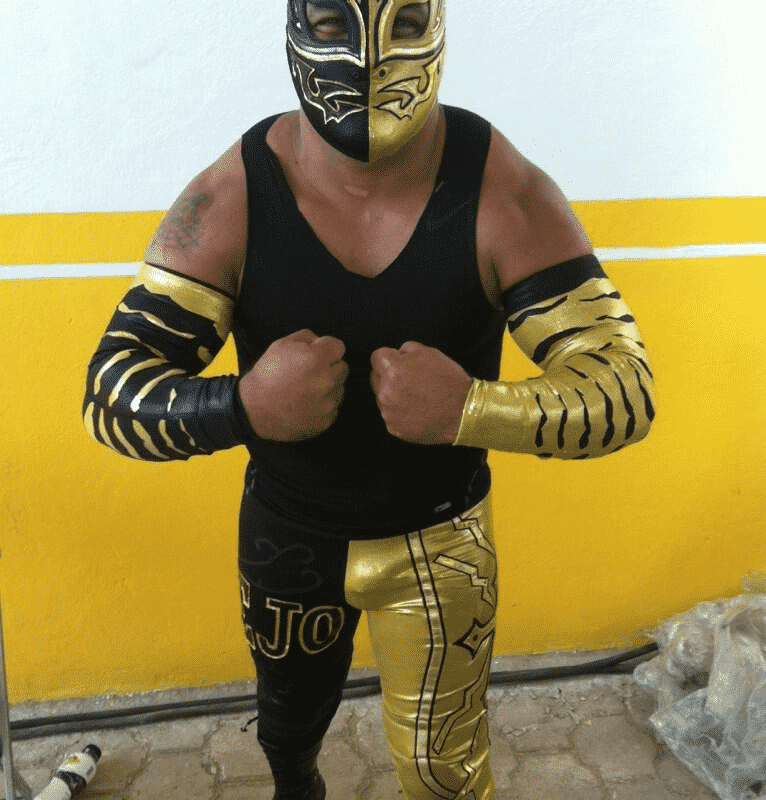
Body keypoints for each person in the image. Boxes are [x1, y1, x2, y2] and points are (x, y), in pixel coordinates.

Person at [83, 1, 655, 798]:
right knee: (286, 733)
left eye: (406, 20)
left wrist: (472, 409)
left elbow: (625, 386)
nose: (366, 57)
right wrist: (243, 408)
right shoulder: (234, 194)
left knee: (445, 771)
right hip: (288, 535)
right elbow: (110, 392)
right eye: (329, 22)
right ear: (295, 27)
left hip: (441, 541)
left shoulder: (497, 185)